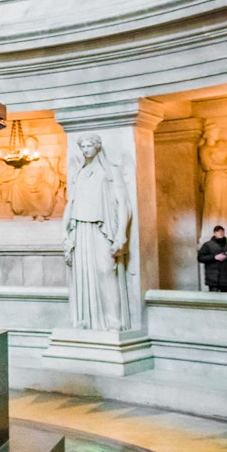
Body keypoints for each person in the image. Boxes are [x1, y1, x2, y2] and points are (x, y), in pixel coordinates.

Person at [63, 134, 131, 331]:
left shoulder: (109, 171)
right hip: (80, 229)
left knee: (105, 271)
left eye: (89, 146)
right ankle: (85, 319)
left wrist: (121, 234)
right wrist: (64, 233)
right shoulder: (80, 172)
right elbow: (71, 204)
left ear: (97, 147)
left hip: (102, 229)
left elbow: (123, 203)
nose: (85, 150)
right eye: (82, 146)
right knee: (82, 274)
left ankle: (113, 320)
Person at [197, 225, 227, 292]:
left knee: (226, 299)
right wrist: (215, 257)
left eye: (222, 231)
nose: (220, 233)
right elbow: (200, 258)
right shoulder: (207, 245)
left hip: (226, 279)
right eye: (218, 231)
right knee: (214, 299)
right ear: (214, 233)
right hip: (213, 279)